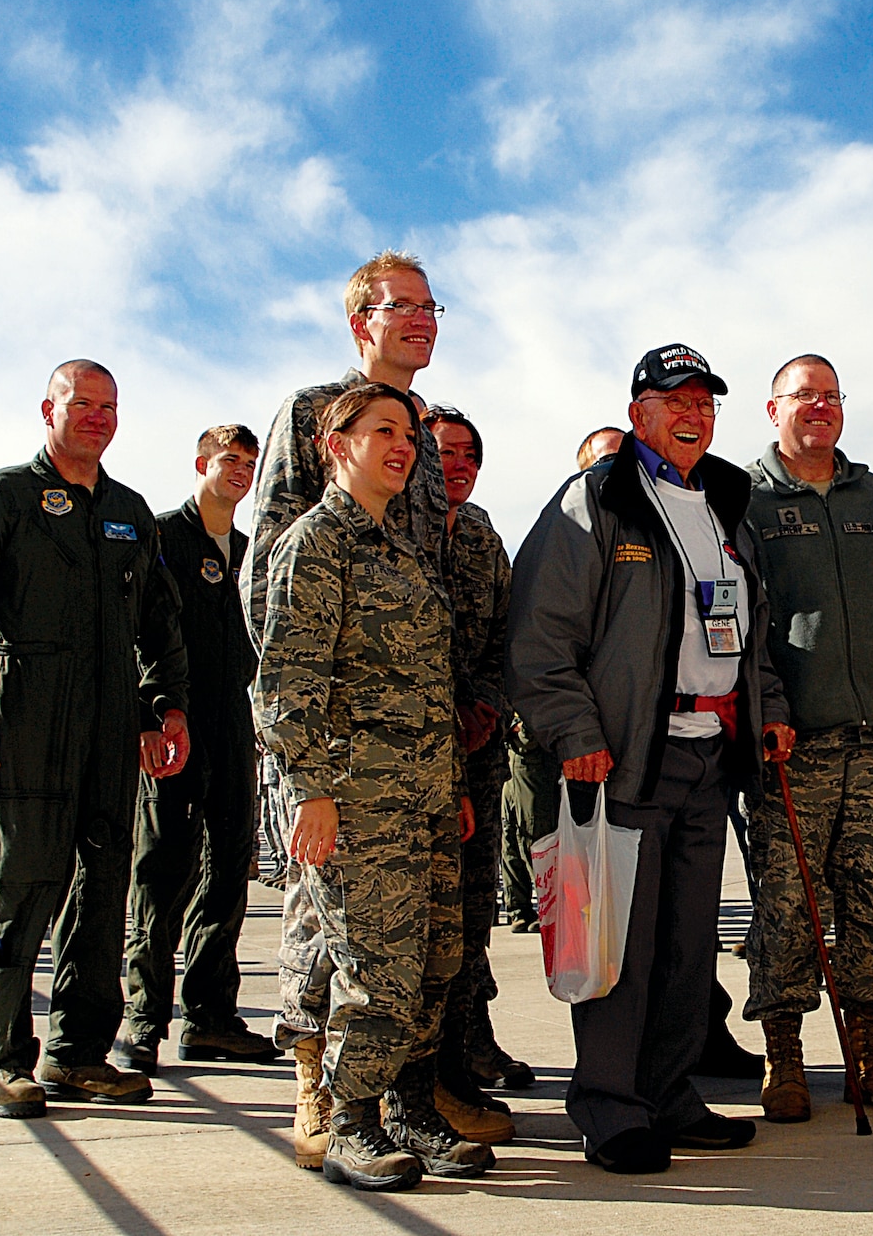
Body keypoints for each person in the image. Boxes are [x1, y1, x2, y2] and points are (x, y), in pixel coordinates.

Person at [243, 251, 508, 1163]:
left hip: (419, 743)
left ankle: (405, 1099)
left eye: (432, 306)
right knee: (333, 926)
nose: (421, 320)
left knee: (424, 940)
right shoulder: (319, 414)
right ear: (361, 320)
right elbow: (273, 580)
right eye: (402, 306)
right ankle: (320, 1090)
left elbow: (427, 584)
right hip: (341, 743)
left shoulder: (424, 439)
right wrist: (303, 759)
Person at [509, 344, 792, 1174]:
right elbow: (540, 638)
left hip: (710, 758)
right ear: (638, 413)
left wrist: (767, 712)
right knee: (616, 948)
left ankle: (669, 1094)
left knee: (685, 943)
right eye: (674, 399)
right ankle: (608, 1106)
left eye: (704, 400)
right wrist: (576, 733)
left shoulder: (726, 505)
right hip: (627, 754)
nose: (692, 413)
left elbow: (753, 635)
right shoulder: (595, 502)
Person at [0, 359, 190, 1119]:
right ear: (49, 408)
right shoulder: (2, 497)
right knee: (16, 889)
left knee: (101, 898)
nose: (98, 417)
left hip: (110, 737)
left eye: (111, 406)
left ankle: (78, 1053)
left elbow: (161, 627)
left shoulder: (132, 513)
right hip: (25, 726)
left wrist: (166, 708)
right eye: (84, 403)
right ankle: (5, 1059)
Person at [740, 355, 873, 1124]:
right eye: (803, 396)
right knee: (787, 906)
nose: (818, 408)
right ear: (773, 408)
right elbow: (738, 622)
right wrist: (766, 703)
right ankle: (782, 1058)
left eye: (831, 396)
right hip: (796, 744)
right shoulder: (746, 502)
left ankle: (867, 1053)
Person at [117, 426, 278, 1075]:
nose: (240, 471)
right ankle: (142, 1021)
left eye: (249, 462)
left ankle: (211, 1016)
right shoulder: (160, 537)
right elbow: (136, 634)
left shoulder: (252, 550)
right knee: (161, 874)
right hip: (177, 726)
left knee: (227, 876)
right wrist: (148, 716)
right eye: (228, 460)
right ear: (200, 464)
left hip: (235, 727)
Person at [421, 405, 537, 1097]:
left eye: (470, 455)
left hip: (478, 747)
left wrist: (488, 703)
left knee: (471, 902)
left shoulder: (482, 540)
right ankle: (424, 1057)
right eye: (445, 453)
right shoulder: (394, 532)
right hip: (411, 751)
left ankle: (470, 1036)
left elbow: (508, 633)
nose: (458, 466)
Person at [501, 425, 623, 933]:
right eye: (602, 463)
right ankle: (549, 909)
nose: (615, 471)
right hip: (561, 730)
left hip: (627, 735)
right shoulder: (566, 533)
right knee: (543, 824)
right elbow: (537, 636)